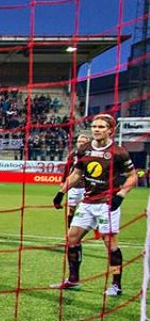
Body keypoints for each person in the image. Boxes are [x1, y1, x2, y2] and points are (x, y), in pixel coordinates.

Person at [51, 113, 139, 295]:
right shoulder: (84, 149)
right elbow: (76, 174)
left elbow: (132, 177)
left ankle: (116, 285)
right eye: (94, 126)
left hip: (108, 203)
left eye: (101, 127)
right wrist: (61, 192)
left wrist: (121, 195)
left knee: (110, 243)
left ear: (110, 130)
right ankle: (73, 280)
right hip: (87, 202)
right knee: (72, 238)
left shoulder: (119, 152)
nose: (96, 130)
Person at [62, 132, 91, 228]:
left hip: (86, 187)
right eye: (79, 141)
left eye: (83, 142)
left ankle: (84, 227)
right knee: (71, 210)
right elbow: (67, 168)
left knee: (85, 210)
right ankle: (69, 228)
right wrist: (63, 181)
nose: (81, 143)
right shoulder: (73, 154)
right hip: (73, 187)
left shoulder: (92, 155)